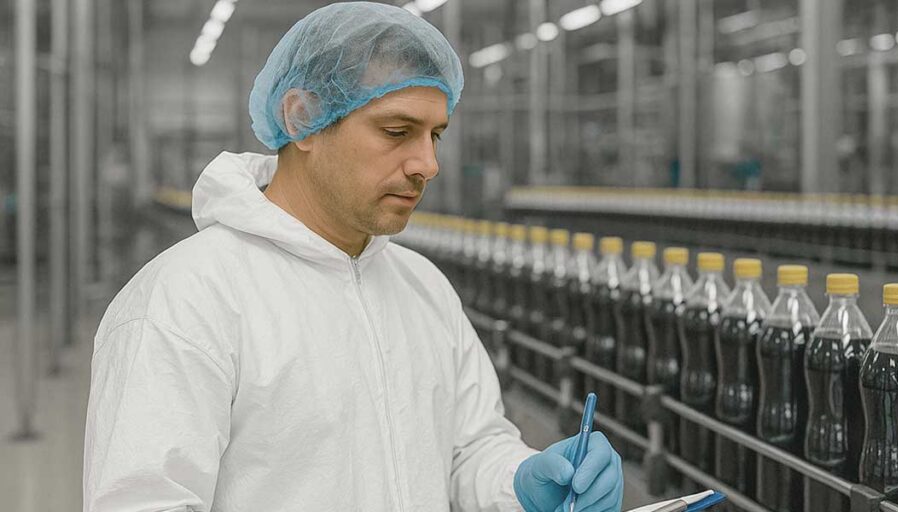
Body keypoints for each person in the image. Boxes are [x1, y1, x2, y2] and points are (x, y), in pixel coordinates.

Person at [82, 3, 623, 511]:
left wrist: (522, 481)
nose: (427, 164)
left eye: (435, 135)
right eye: (397, 131)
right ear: (302, 119)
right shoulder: (187, 300)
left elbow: (468, 447)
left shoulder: (422, 286)